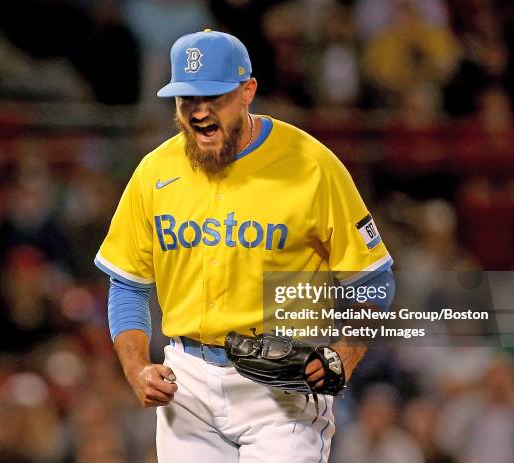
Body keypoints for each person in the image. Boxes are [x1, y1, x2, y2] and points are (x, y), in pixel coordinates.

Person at [95, 29, 394, 462]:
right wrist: (137, 366)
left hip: (282, 381)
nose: (198, 113)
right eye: (186, 101)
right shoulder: (154, 171)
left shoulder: (311, 166)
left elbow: (373, 280)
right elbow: (128, 284)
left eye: (213, 97)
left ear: (247, 91)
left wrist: (342, 359)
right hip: (188, 381)